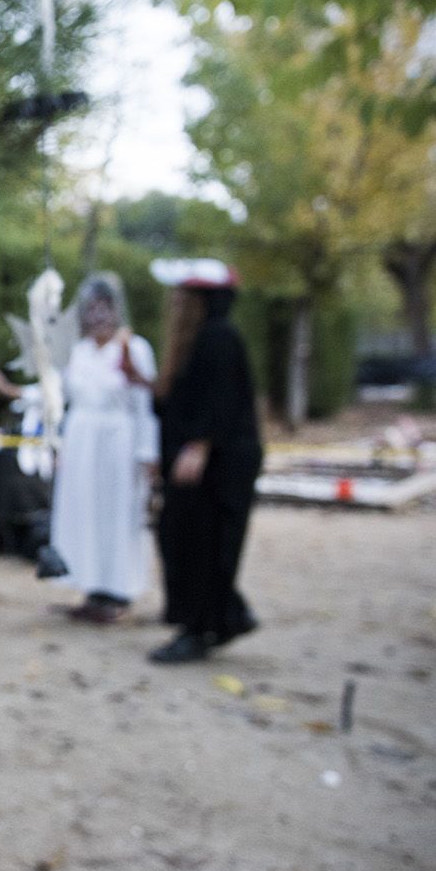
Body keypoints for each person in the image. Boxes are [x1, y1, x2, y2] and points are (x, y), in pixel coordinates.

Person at [147, 258, 263, 663]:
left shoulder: (218, 337)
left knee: (198, 541)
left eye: (183, 294)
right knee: (186, 536)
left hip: (216, 465)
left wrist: (199, 444)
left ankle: (196, 628)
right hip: (200, 460)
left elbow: (222, 401)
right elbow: (183, 401)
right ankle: (226, 615)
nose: (175, 301)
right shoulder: (196, 341)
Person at [48, 273, 159, 623]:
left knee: (118, 514)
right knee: (85, 514)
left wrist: (148, 454)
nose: (99, 315)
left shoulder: (134, 348)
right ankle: (92, 587)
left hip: (118, 443)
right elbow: (61, 400)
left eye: (105, 307)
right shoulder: (78, 352)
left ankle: (119, 591)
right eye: (92, 308)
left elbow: (145, 407)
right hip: (82, 443)